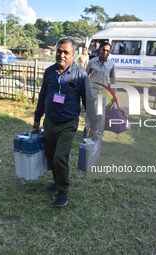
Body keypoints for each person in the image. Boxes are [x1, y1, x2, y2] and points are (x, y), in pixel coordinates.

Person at [33, 37, 98, 207]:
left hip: (68, 123)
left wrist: (92, 126)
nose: (61, 55)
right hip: (50, 122)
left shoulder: (81, 75)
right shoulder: (49, 72)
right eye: (59, 51)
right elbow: (42, 97)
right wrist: (36, 120)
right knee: (51, 155)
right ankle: (56, 181)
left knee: (60, 157)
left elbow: (88, 101)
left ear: (73, 54)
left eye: (66, 52)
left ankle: (63, 190)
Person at [86, 41, 116, 133]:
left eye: (107, 50)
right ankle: (87, 131)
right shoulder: (92, 62)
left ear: (110, 52)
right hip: (91, 92)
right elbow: (84, 76)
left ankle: (98, 133)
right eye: (103, 50)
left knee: (100, 114)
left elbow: (113, 81)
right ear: (100, 49)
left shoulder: (111, 64)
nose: (105, 52)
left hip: (103, 94)